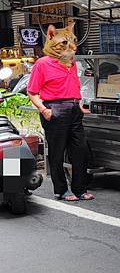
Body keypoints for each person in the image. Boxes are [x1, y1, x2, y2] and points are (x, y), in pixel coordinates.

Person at [27, 23, 94, 201]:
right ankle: (62, 190)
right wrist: (44, 109)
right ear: (50, 38)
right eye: (64, 43)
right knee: (57, 152)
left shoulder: (71, 63)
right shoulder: (42, 64)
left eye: (72, 42)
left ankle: (80, 189)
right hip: (54, 109)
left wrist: (78, 105)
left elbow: (74, 86)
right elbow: (32, 92)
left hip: (73, 109)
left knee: (80, 151)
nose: (70, 46)